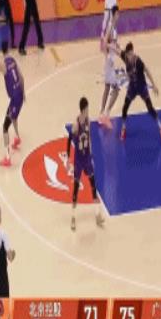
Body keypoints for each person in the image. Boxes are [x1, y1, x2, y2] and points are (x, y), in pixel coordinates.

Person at [66, 97, 105, 231]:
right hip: (78, 160)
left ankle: (97, 215)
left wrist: (91, 154)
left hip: (87, 158)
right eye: (87, 108)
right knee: (76, 190)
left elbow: (89, 138)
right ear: (83, 109)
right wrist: (68, 159)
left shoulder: (88, 120)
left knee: (93, 186)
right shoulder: (76, 124)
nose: (88, 110)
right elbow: (69, 139)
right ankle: (73, 217)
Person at [120, 42, 161, 142]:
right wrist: (109, 45)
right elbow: (118, 51)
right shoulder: (125, 57)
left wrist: (154, 85)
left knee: (150, 108)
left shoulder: (138, 61)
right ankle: (123, 127)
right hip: (132, 87)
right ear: (127, 54)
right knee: (125, 106)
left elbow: (147, 71)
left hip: (141, 87)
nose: (130, 56)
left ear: (133, 52)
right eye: (128, 54)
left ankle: (160, 127)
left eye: (131, 54)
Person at [99, 6, 121, 129]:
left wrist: (117, 47)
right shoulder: (110, 27)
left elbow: (112, 43)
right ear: (114, 14)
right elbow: (105, 43)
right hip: (109, 62)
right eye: (117, 14)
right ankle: (106, 114)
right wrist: (111, 50)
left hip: (110, 61)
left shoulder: (114, 27)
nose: (119, 16)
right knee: (116, 89)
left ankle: (101, 114)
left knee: (107, 87)